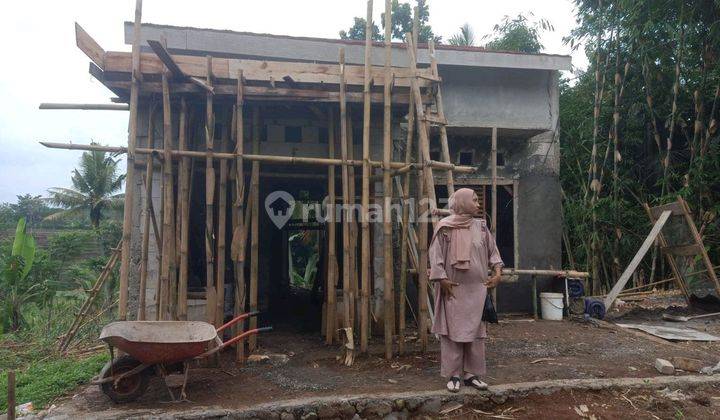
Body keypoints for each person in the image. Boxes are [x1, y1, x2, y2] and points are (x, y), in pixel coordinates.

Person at [429, 188, 503, 393]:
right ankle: (453, 375)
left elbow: (493, 252)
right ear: (462, 203)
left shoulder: (480, 227)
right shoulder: (444, 227)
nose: (478, 205)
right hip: (453, 290)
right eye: (475, 200)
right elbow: (435, 257)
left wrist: (497, 273)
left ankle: (471, 375)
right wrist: (442, 280)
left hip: (477, 291)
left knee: (477, 334)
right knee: (453, 333)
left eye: (478, 201)